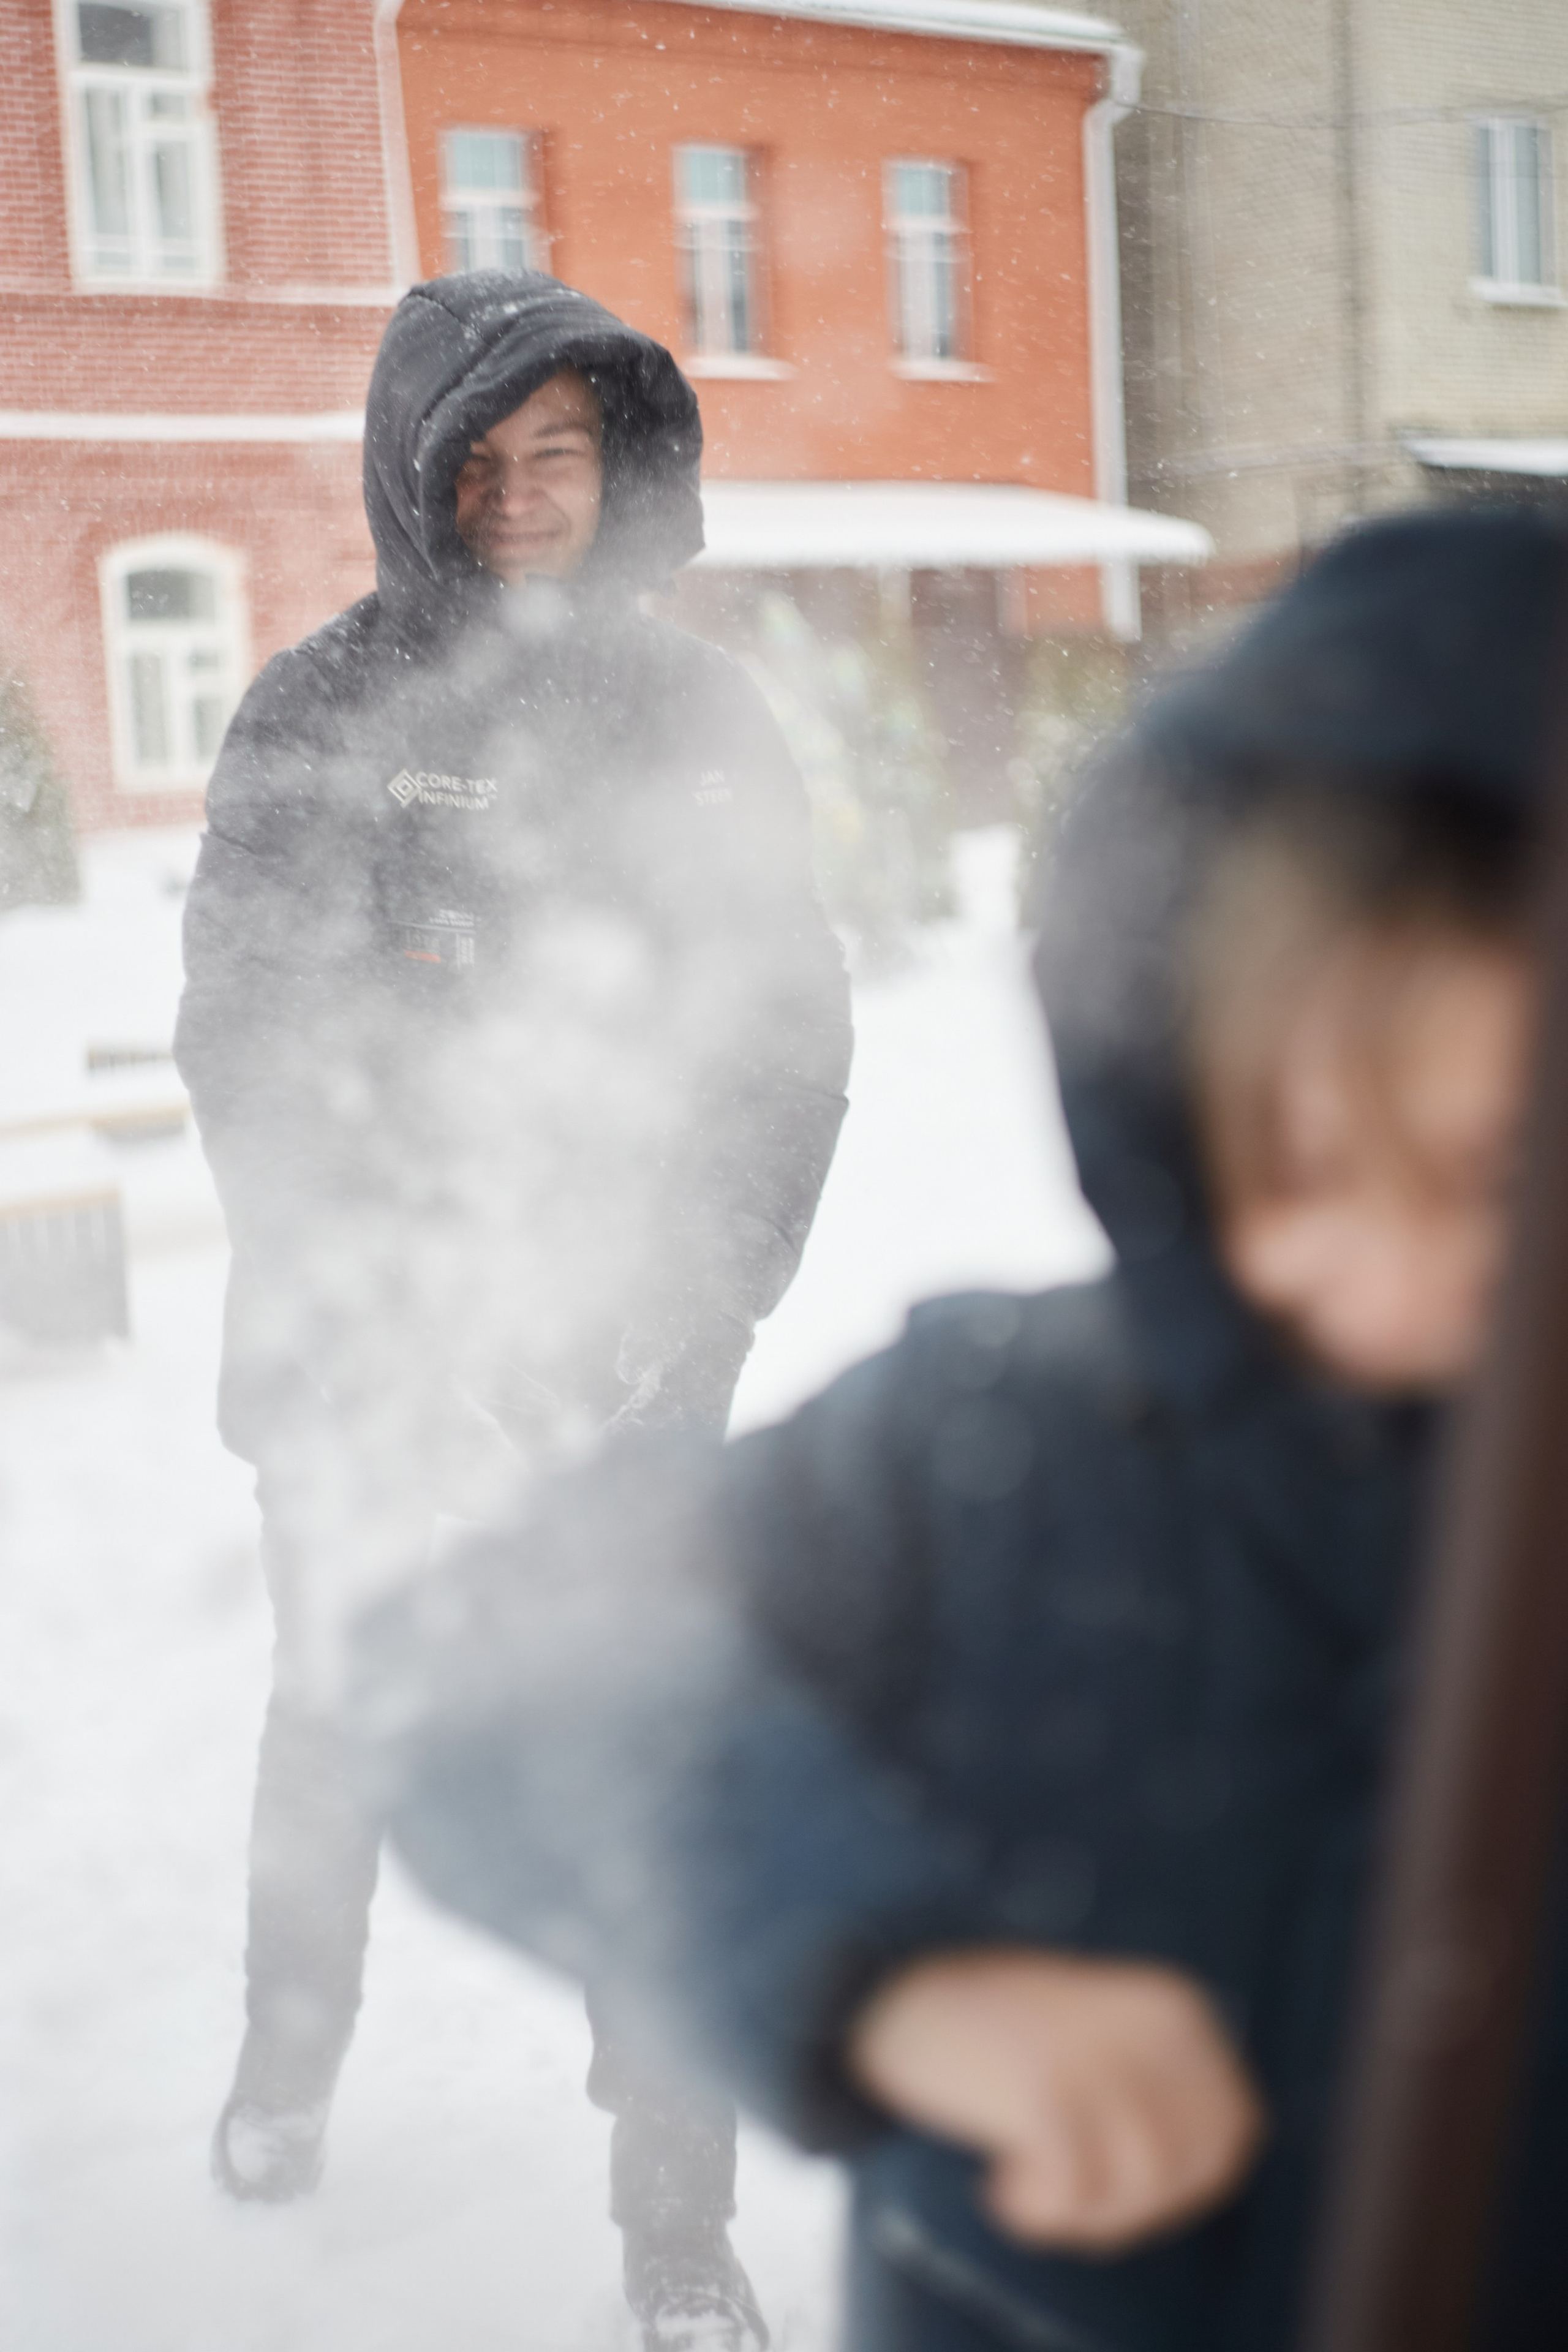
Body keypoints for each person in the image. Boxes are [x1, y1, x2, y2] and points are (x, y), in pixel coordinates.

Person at [349, 507, 1568, 2352]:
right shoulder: (1005, 1453)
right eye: (1302, 1162)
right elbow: (498, 1659)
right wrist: (892, 1980)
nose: (1384, 1281)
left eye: (1495, 1177)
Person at [174, 269, 851, 2351]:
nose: (525, 493)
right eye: (481, 457)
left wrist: (686, 1312)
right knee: (338, 1726)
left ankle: (674, 2220)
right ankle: (287, 2065)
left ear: (621, 458)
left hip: (638, 1364)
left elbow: (780, 1040)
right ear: (417, 478)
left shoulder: (703, 721)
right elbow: (256, 1040)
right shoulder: (320, 710)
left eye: (562, 449)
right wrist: (434, 1310)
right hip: (374, 1360)